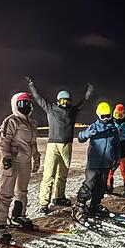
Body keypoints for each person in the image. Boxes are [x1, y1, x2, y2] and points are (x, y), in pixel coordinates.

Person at [26, 77, 94, 214]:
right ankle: (44, 203)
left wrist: (90, 91)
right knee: (49, 175)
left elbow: (84, 102)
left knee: (62, 174)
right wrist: (31, 85)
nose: (65, 103)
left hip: (67, 146)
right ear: (58, 100)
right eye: (63, 100)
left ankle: (58, 197)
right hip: (53, 146)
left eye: (67, 100)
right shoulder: (51, 108)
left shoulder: (72, 111)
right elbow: (38, 98)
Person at [0, 92, 40, 240]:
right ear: (15, 105)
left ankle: (18, 216)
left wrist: (36, 157)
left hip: (26, 161)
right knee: (6, 193)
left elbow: (33, 143)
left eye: (29, 104)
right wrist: (6, 159)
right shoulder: (11, 121)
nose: (26, 107)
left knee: (22, 191)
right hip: (12, 161)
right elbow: (4, 141)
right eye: (22, 104)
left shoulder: (32, 123)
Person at [76, 101, 120, 216]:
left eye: (108, 116)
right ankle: (80, 203)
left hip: (106, 162)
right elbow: (80, 138)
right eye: (103, 116)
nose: (106, 118)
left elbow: (116, 145)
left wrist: (117, 158)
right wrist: (85, 134)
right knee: (90, 183)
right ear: (98, 115)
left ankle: (95, 205)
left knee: (101, 185)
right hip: (94, 162)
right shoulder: (94, 127)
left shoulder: (113, 129)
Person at [106, 103, 125, 195]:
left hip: (123, 150)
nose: (118, 117)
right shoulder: (111, 126)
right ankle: (108, 186)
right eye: (117, 115)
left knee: (124, 170)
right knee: (110, 170)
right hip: (113, 151)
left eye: (120, 115)